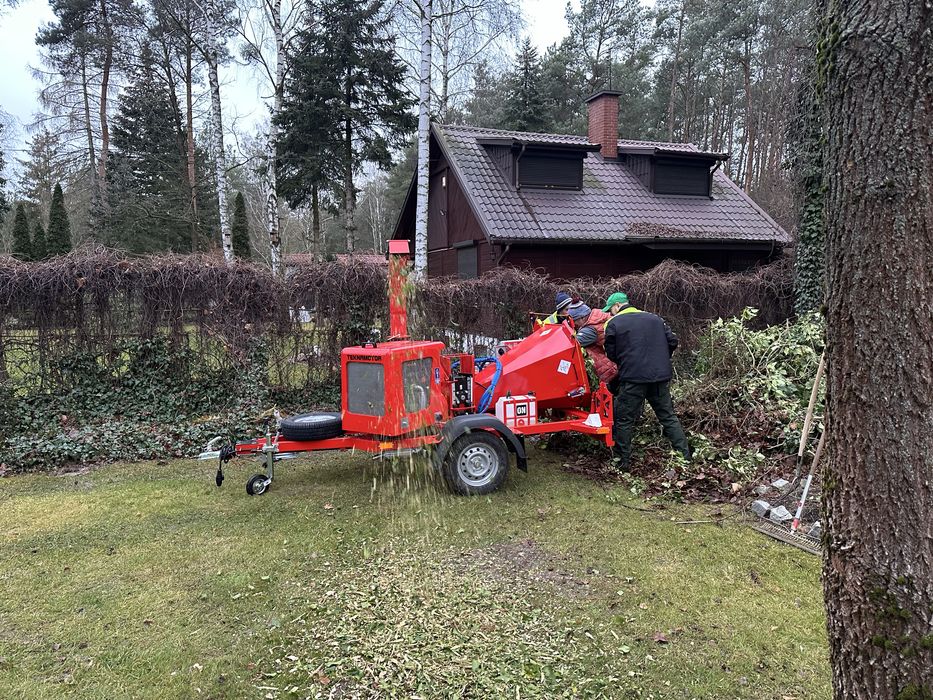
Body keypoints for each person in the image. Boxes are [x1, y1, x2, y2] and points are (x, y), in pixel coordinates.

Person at [603, 292, 690, 468]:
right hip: (659, 377)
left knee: (624, 418)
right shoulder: (655, 319)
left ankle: (623, 462)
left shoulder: (613, 323)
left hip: (633, 378)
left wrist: (626, 361)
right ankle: (685, 457)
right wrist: (659, 359)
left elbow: (610, 352)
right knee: (668, 416)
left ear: (617, 305)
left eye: (611, 310)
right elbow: (672, 341)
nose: (610, 314)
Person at [564, 298, 618, 386]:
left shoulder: (590, 330)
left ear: (581, 317)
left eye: (575, 321)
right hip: (619, 361)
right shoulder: (599, 316)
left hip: (611, 369)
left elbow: (572, 344)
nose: (575, 325)